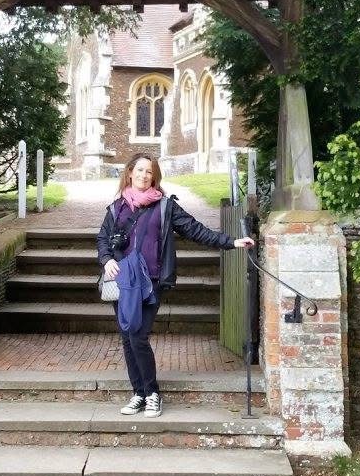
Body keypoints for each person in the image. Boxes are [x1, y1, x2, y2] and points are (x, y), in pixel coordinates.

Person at [96, 153, 255, 418]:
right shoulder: (117, 208)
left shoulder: (165, 207)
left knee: (138, 335)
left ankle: (152, 393)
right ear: (130, 173)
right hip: (124, 281)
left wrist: (232, 242)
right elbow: (102, 238)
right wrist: (106, 259)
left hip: (151, 282)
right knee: (127, 338)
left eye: (150, 172)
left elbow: (195, 230)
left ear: (155, 177)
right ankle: (139, 393)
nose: (144, 175)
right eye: (140, 170)